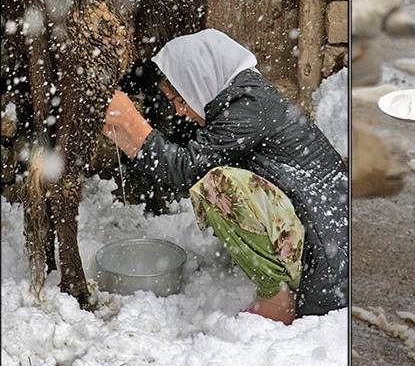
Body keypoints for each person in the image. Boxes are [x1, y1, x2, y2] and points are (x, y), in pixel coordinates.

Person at [103, 28, 348, 324]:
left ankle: (276, 297)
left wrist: (134, 123)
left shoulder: (248, 108)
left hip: (329, 267)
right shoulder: (247, 99)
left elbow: (187, 171)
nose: (179, 112)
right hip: (329, 247)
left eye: (179, 99)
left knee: (217, 186)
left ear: (200, 81)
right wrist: (128, 139)